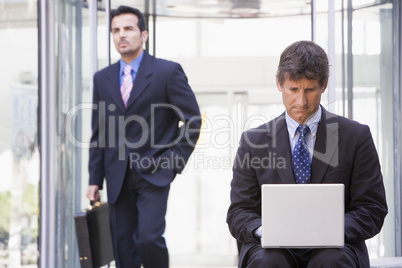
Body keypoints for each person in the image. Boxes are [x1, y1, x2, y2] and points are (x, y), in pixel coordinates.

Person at [226, 40, 388, 268]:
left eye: (310, 90)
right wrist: (268, 230)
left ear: (324, 85)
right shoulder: (254, 142)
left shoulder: (356, 136)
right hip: (272, 249)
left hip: (335, 247)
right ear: (279, 84)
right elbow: (239, 213)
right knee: (269, 260)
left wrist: (326, 229)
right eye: (293, 90)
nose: (301, 101)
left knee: (331, 260)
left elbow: (373, 209)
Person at [86, 5, 201, 268]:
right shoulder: (102, 79)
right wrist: (94, 179)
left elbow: (192, 120)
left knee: (148, 238)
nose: (121, 35)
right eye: (115, 30)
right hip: (116, 174)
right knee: (123, 245)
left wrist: (173, 161)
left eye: (128, 28)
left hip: (154, 171)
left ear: (144, 34)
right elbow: (98, 132)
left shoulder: (167, 72)